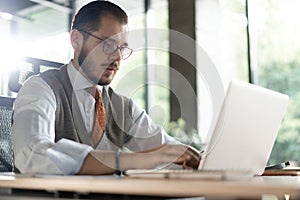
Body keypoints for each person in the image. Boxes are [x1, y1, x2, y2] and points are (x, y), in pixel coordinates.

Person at [12, 0, 200, 175]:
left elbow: (168, 152)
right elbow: (32, 154)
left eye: (122, 48)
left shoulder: (123, 107)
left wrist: (197, 158)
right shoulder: (41, 88)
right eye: (108, 44)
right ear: (76, 40)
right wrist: (128, 161)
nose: (117, 58)